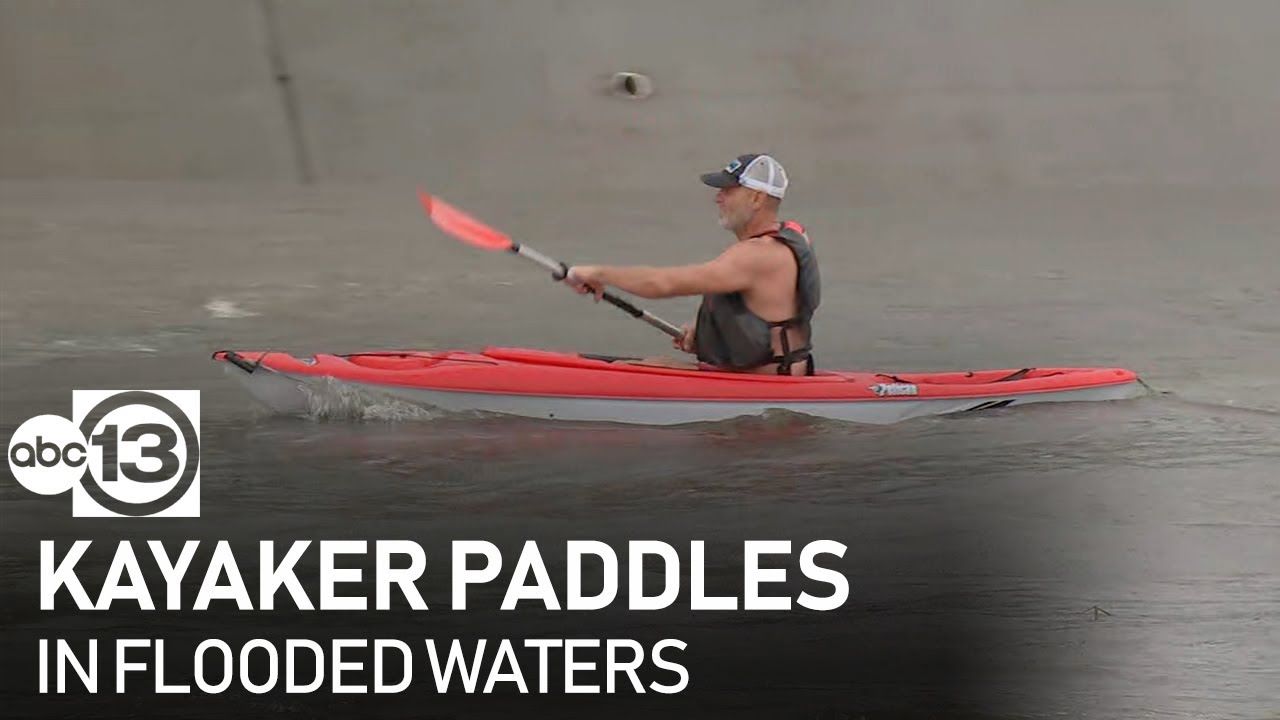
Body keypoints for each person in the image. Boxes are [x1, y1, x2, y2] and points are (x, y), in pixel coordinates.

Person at [565, 153, 821, 376]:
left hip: (758, 383)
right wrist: (707, 335)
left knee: (633, 368)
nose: (718, 198)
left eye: (728, 191)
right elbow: (771, 312)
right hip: (773, 372)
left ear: (756, 198)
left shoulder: (756, 256)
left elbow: (661, 284)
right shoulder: (792, 236)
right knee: (651, 364)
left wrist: (598, 273)